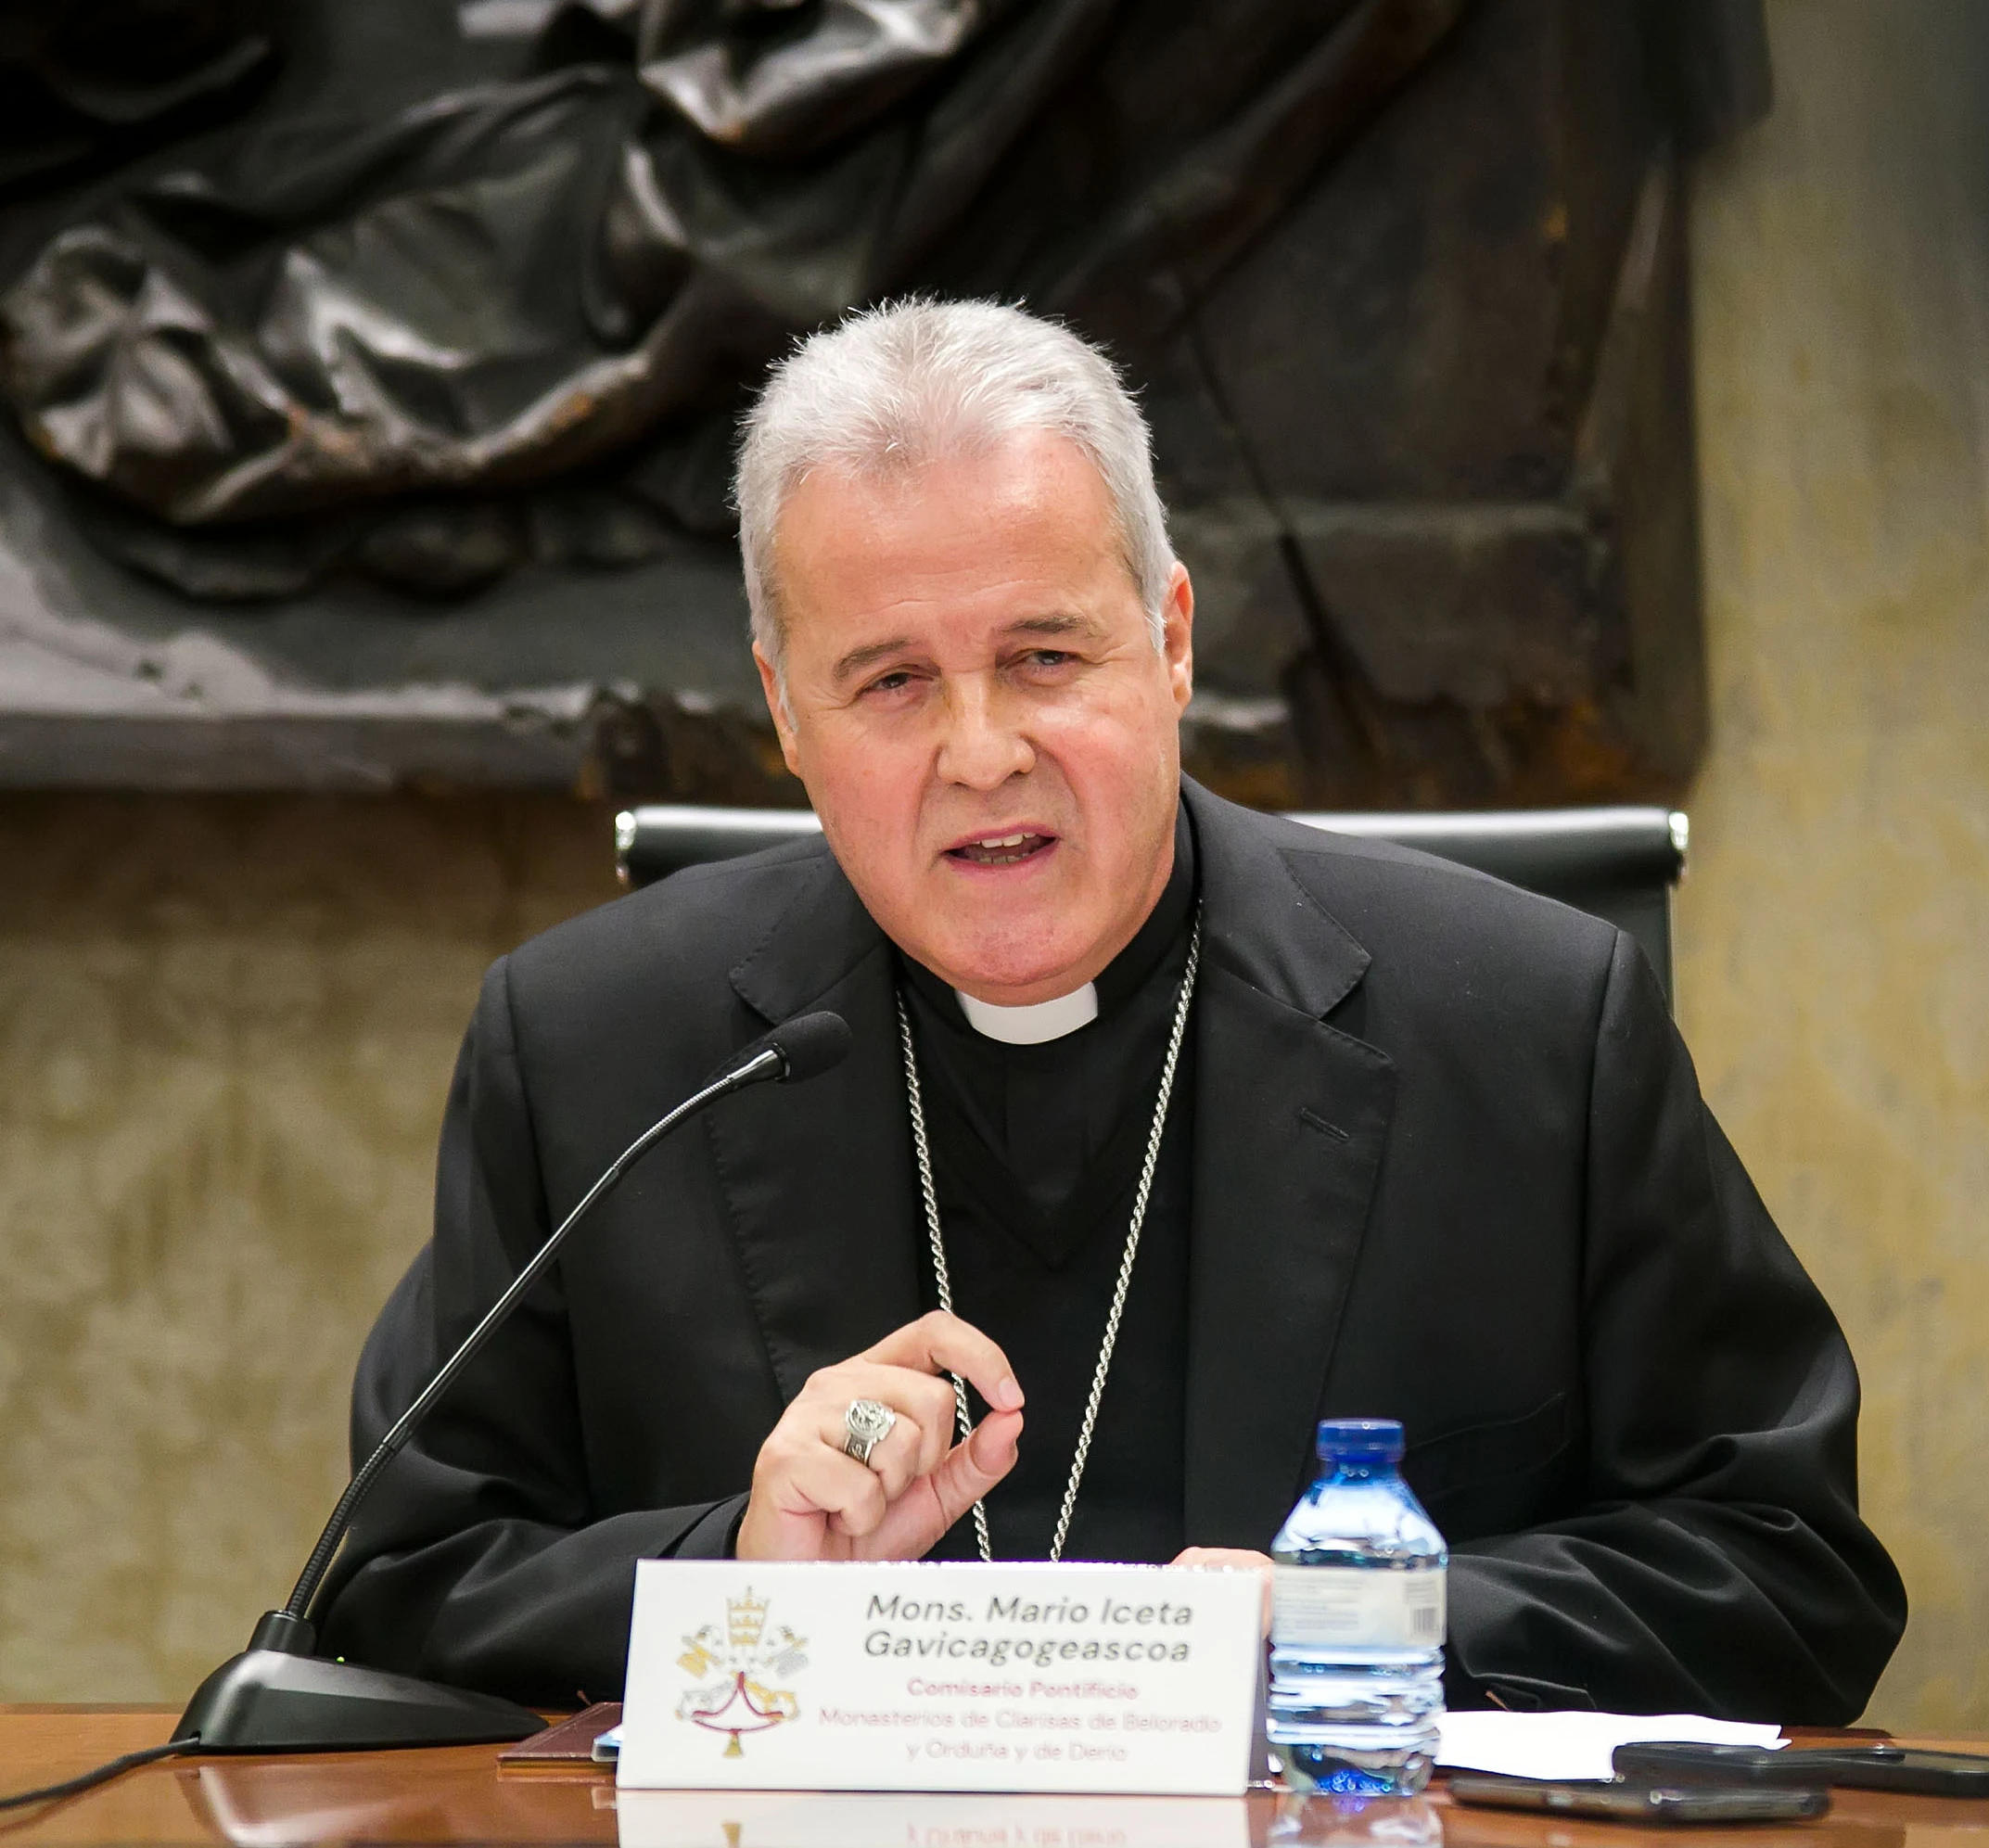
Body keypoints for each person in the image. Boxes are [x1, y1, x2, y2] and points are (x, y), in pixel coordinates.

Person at [319, 299, 1904, 1722]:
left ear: (1171, 642)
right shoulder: (600, 1050)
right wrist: (743, 1567)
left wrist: (1350, 1620)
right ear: (783, 717)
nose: (982, 749)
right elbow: (392, 1586)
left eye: (1043, 653)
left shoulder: (1531, 1025)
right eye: (888, 681)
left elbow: (1787, 1574)